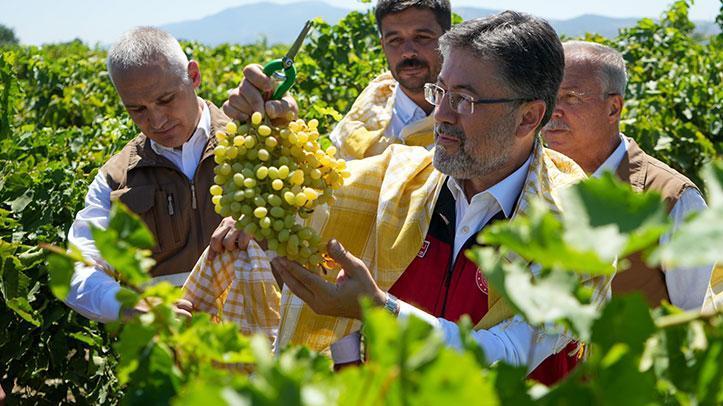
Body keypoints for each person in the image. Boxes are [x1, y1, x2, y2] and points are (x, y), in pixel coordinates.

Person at [211, 11, 612, 384]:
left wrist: (378, 309)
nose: (441, 115)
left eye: (464, 100)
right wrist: (269, 125)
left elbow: (505, 354)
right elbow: (309, 195)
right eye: (441, 93)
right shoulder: (403, 182)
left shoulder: (577, 225)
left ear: (528, 116)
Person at [64, 27, 229, 322]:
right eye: (137, 110)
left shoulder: (253, 147)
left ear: (193, 76)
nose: (157, 120)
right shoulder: (116, 179)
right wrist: (132, 307)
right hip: (171, 359)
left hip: (265, 356)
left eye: (166, 100)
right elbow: (77, 271)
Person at [542, 41, 713, 311]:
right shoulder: (534, 179)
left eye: (571, 98)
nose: (553, 110)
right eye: (549, 96)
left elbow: (696, 318)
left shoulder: (672, 199)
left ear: (613, 109)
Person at [223, 0, 449, 162]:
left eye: (422, 37)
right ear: (382, 45)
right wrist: (279, 126)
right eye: (395, 40)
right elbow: (326, 182)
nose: (408, 52)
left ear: (449, 39)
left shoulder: (471, 114)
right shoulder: (366, 112)